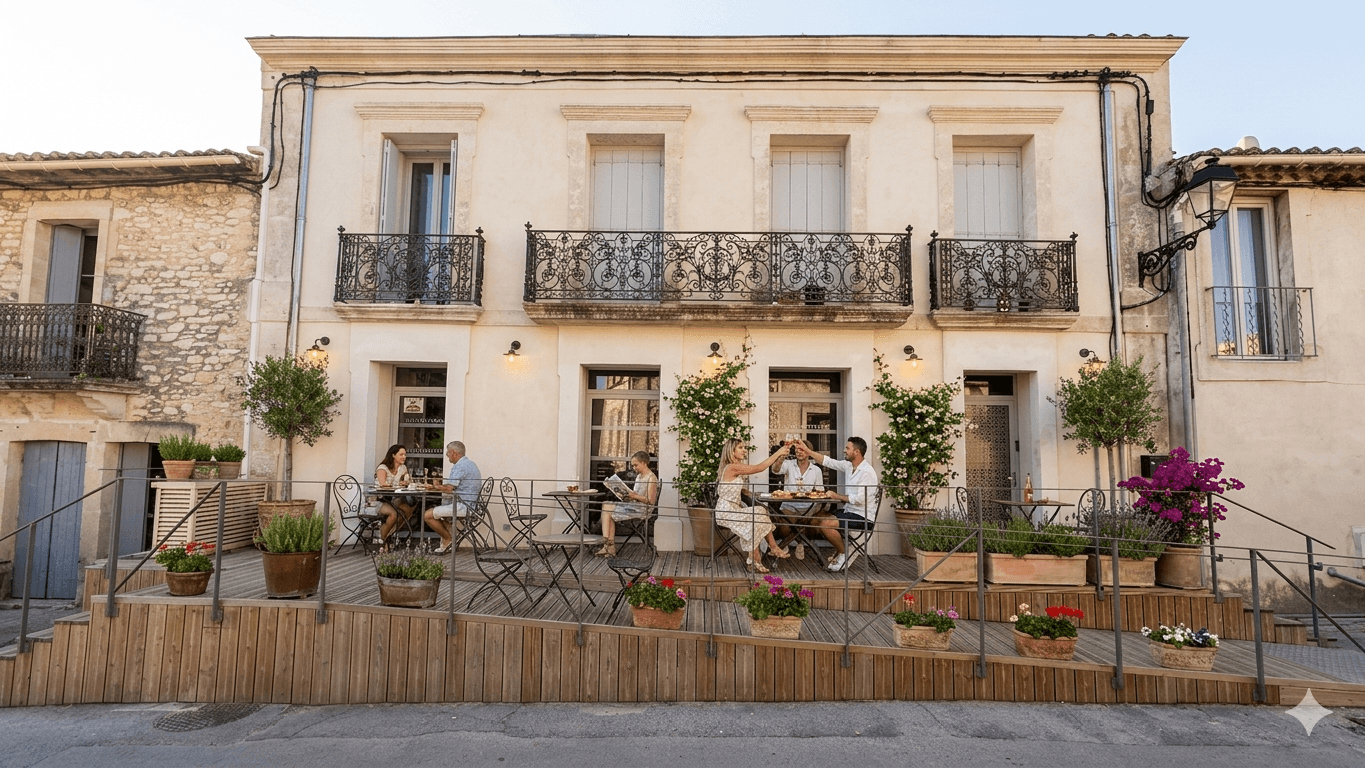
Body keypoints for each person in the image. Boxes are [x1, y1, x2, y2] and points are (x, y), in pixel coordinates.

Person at [796, 436, 879, 572]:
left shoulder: (867, 472)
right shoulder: (848, 466)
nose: (844, 450)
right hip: (848, 511)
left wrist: (836, 496)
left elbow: (860, 499)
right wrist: (807, 451)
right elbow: (827, 462)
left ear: (857, 452)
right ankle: (842, 550)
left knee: (825, 524)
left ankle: (843, 553)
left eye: (847, 448)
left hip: (862, 517)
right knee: (816, 518)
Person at [715, 438, 792, 573]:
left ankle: (758, 557)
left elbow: (731, 488)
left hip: (733, 509)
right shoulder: (732, 467)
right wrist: (778, 453)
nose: (744, 450)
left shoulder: (731, 467)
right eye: (740, 447)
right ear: (731, 451)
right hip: (726, 511)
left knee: (759, 512)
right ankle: (768, 551)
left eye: (744, 447)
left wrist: (750, 493)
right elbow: (759, 468)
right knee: (758, 514)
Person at [595, 451, 660, 557]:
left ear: (644, 463)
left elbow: (650, 500)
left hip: (642, 510)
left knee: (607, 510)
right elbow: (636, 495)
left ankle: (609, 547)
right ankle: (609, 547)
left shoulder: (651, 478)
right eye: (633, 465)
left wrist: (634, 496)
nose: (634, 468)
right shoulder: (639, 476)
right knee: (606, 505)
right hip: (635, 506)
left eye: (636, 465)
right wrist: (626, 495)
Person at [770, 439, 824, 559]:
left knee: (809, 522)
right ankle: (790, 543)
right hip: (790, 505)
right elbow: (775, 470)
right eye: (797, 450)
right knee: (784, 523)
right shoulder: (789, 464)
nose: (799, 452)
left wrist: (816, 505)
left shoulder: (816, 470)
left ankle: (795, 543)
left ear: (809, 452)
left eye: (803, 450)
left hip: (809, 507)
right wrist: (780, 458)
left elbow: (820, 491)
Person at [425, 441, 482, 554]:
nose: (446, 454)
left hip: (464, 506)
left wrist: (433, 487)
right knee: (443, 515)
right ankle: (449, 542)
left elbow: (449, 488)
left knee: (427, 515)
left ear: (454, 453)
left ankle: (448, 539)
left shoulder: (460, 466)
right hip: (472, 505)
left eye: (448, 452)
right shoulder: (470, 464)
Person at [375, 444, 415, 548]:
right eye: (401, 454)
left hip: (393, 499)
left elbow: (407, 481)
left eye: (405, 455)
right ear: (393, 455)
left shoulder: (403, 468)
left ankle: (386, 534)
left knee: (408, 511)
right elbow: (383, 484)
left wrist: (405, 483)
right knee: (394, 514)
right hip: (378, 500)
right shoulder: (382, 468)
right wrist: (396, 484)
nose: (404, 457)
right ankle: (383, 541)